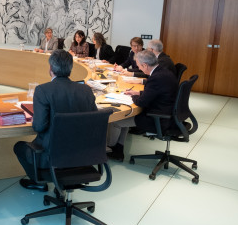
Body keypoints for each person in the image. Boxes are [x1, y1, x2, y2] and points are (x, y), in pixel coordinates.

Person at [14, 50, 97, 190]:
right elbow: (93, 121)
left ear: (51, 68)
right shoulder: (86, 91)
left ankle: (39, 182)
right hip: (82, 155)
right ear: (71, 68)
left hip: (51, 157)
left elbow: (39, 127)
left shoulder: (43, 90)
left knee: (19, 147)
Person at [107, 50, 178, 161]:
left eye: (139, 66)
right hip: (168, 113)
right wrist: (137, 92)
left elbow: (141, 102)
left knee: (116, 121)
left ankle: (111, 148)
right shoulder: (163, 72)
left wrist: (132, 97)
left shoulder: (155, 78)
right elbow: (156, 92)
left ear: (145, 65)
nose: (139, 69)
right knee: (125, 118)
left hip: (158, 119)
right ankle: (118, 150)